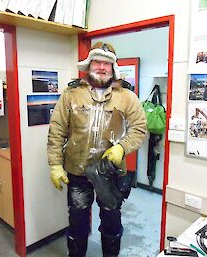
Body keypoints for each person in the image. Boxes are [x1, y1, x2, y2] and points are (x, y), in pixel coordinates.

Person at [47, 42, 147, 257]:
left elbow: (139, 129)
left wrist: (122, 147)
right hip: (78, 172)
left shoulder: (127, 96)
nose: (101, 67)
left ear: (113, 68)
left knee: (111, 223)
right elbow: (57, 130)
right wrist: (55, 164)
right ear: (89, 64)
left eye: (107, 63)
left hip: (110, 173)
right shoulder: (71, 94)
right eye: (97, 62)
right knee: (78, 223)